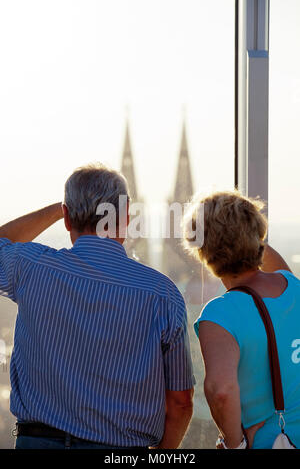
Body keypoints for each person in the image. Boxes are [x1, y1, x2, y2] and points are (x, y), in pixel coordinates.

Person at [0, 163, 195, 450]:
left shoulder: (31, 267)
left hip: (39, 442)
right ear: (126, 216)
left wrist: (61, 208)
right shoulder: (162, 294)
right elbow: (180, 402)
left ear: (67, 218)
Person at [183, 190, 300, 449]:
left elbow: (221, 390)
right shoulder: (293, 287)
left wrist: (234, 444)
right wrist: (242, 228)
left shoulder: (220, 315)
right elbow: (271, 260)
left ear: (203, 251)